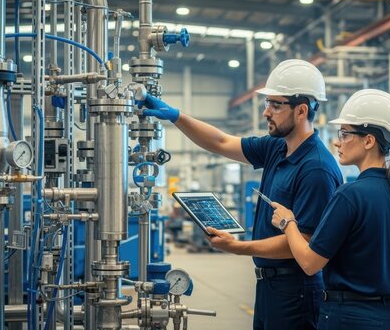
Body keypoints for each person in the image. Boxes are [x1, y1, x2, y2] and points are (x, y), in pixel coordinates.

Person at [142, 59, 343, 330]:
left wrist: (238, 248)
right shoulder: (277, 147)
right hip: (271, 286)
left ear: (301, 110)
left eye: (275, 104)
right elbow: (222, 142)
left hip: (297, 291)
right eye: (266, 103)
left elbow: (304, 243)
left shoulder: (315, 169)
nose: (266, 112)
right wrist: (177, 116)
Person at [271, 89, 390, 330]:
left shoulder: (349, 195)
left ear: (368, 141)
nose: (337, 141)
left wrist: (288, 223)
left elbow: (310, 263)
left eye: (344, 134)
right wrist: (379, 271)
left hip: (348, 317)